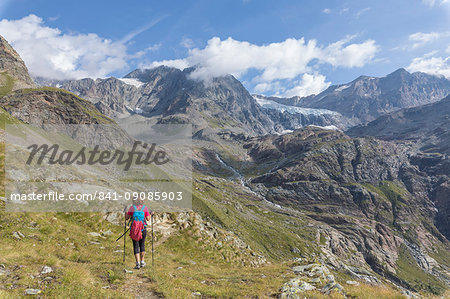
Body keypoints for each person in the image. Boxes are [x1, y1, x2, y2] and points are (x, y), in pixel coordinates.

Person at [126, 202, 153, 269]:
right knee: (142, 244)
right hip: (142, 228)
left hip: (134, 229)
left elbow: (126, 218)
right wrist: (151, 214)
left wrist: (125, 212)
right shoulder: (145, 208)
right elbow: (148, 219)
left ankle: (137, 263)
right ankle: (142, 262)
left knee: (136, 245)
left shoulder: (132, 208)